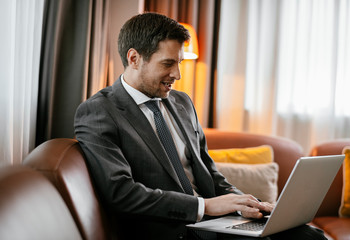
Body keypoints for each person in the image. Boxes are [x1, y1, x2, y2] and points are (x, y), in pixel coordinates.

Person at [74, 12, 326, 240]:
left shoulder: (182, 102)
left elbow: (209, 172)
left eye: (179, 63)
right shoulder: (98, 112)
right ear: (134, 58)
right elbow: (121, 193)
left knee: (310, 236)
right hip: (172, 230)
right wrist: (205, 207)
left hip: (216, 224)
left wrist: (242, 202)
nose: (177, 74)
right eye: (167, 63)